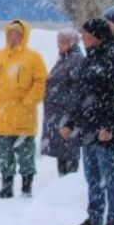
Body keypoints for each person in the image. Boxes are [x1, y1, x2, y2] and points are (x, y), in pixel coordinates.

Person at [62, 18, 114, 225]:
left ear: (98, 37)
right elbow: (80, 96)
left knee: (109, 174)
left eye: (87, 35)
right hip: (87, 128)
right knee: (92, 176)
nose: (83, 38)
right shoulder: (87, 61)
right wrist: (71, 122)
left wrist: (109, 126)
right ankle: (94, 216)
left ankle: (113, 219)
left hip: (105, 130)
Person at [0, 20, 47, 198]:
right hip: (0, 116)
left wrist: (29, 101)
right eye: (10, 33)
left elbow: (41, 82)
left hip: (23, 117)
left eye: (17, 33)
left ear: (24, 36)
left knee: (26, 155)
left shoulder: (34, 58)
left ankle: (26, 187)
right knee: (4, 155)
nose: (13, 37)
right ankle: (6, 186)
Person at [40, 29, 84, 176]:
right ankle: (62, 186)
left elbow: (76, 91)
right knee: (62, 154)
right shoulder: (64, 59)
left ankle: (68, 188)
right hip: (58, 115)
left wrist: (70, 118)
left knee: (69, 154)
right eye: (58, 41)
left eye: (63, 42)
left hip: (67, 116)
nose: (59, 45)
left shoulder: (75, 60)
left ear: (71, 43)